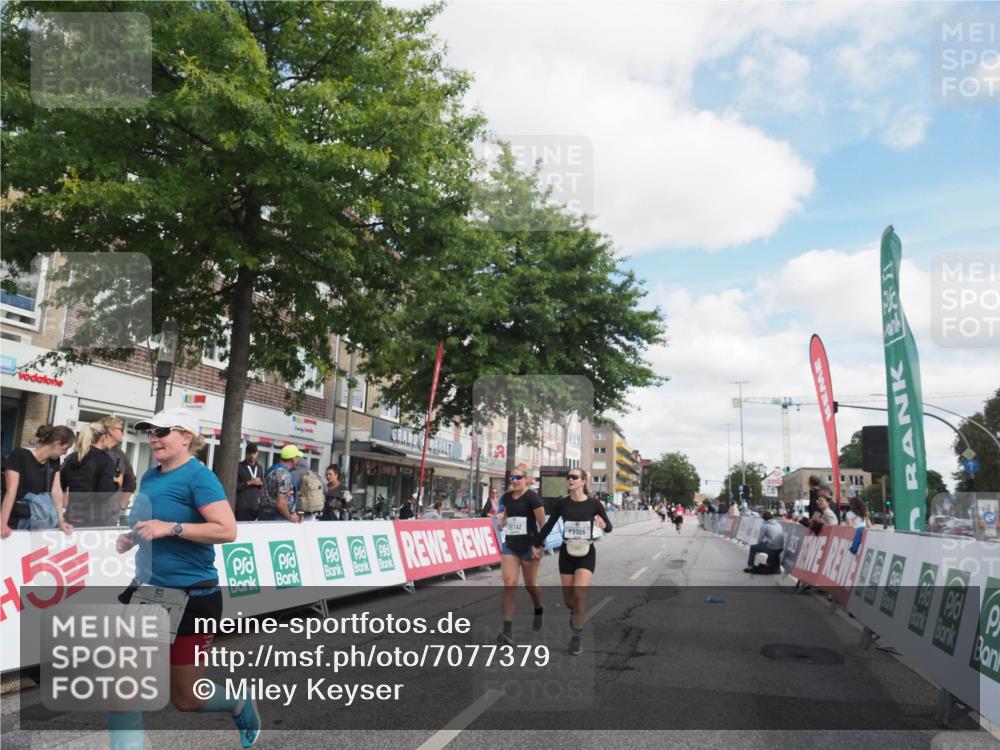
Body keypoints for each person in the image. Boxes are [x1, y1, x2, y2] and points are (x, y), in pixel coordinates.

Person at [111, 407, 258, 749]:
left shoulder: (199, 477)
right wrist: (135, 536)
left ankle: (239, 703)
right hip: (150, 592)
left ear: (186, 437)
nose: (153, 438)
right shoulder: (150, 476)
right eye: (151, 431)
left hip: (194, 595)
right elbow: (153, 521)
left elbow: (226, 529)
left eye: (162, 431)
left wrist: (172, 528)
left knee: (187, 698)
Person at [532, 468, 612, 656]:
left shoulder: (594, 504)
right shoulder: (562, 504)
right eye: (569, 477)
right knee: (569, 601)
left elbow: (609, 527)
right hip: (567, 553)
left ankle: (576, 638)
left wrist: (603, 525)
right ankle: (575, 614)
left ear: (583, 481)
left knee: (579, 593)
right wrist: (537, 544)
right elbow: (549, 526)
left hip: (586, 553)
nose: (570, 480)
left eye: (574, 477)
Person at [496, 465, 547, 645]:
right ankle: (507, 631)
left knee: (530, 585)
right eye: (512, 477)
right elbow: (508, 513)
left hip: (529, 546)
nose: (515, 480)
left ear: (526, 479)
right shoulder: (507, 497)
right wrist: (502, 522)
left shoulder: (533, 498)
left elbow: (543, 525)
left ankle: (539, 608)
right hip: (510, 546)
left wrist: (538, 545)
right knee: (509, 584)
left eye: (518, 477)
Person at [2, 425, 75, 537]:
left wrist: (60, 520)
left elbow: (56, 491)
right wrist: (2, 523)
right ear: (57, 443)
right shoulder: (20, 455)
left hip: (38, 521)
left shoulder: (54, 462)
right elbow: (11, 491)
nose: (65, 453)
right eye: (65, 449)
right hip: (15, 519)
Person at [61, 420, 118, 527]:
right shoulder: (105, 461)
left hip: (71, 517)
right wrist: (116, 484)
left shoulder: (72, 458)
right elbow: (104, 493)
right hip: (93, 519)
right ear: (102, 437)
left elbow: (59, 486)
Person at [101, 415, 137, 522]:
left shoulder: (121, 455)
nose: (123, 433)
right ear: (111, 431)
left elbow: (130, 482)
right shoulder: (90, 452)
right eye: (121, 430)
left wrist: (122, 505)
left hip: (111, 516)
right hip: (88, 513)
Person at [260, 445, 302, 523]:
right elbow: (281, 504)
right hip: (277, 516)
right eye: (297, 457)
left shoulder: (271, 470)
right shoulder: (284, 475)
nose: (298, 459)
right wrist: (290, 517)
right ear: (293, 459)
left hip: (264, 512)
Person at [235, 443, 263, 522]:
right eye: (249, 453)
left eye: (254, 453)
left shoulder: (259, 467)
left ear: (257, 453)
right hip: (241, 508)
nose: (252, 456)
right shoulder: (239, 466)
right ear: (246, 454)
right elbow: (233, 487)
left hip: (254, 508)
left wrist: (260, 484)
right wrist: (248, 483)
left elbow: (263, 485)